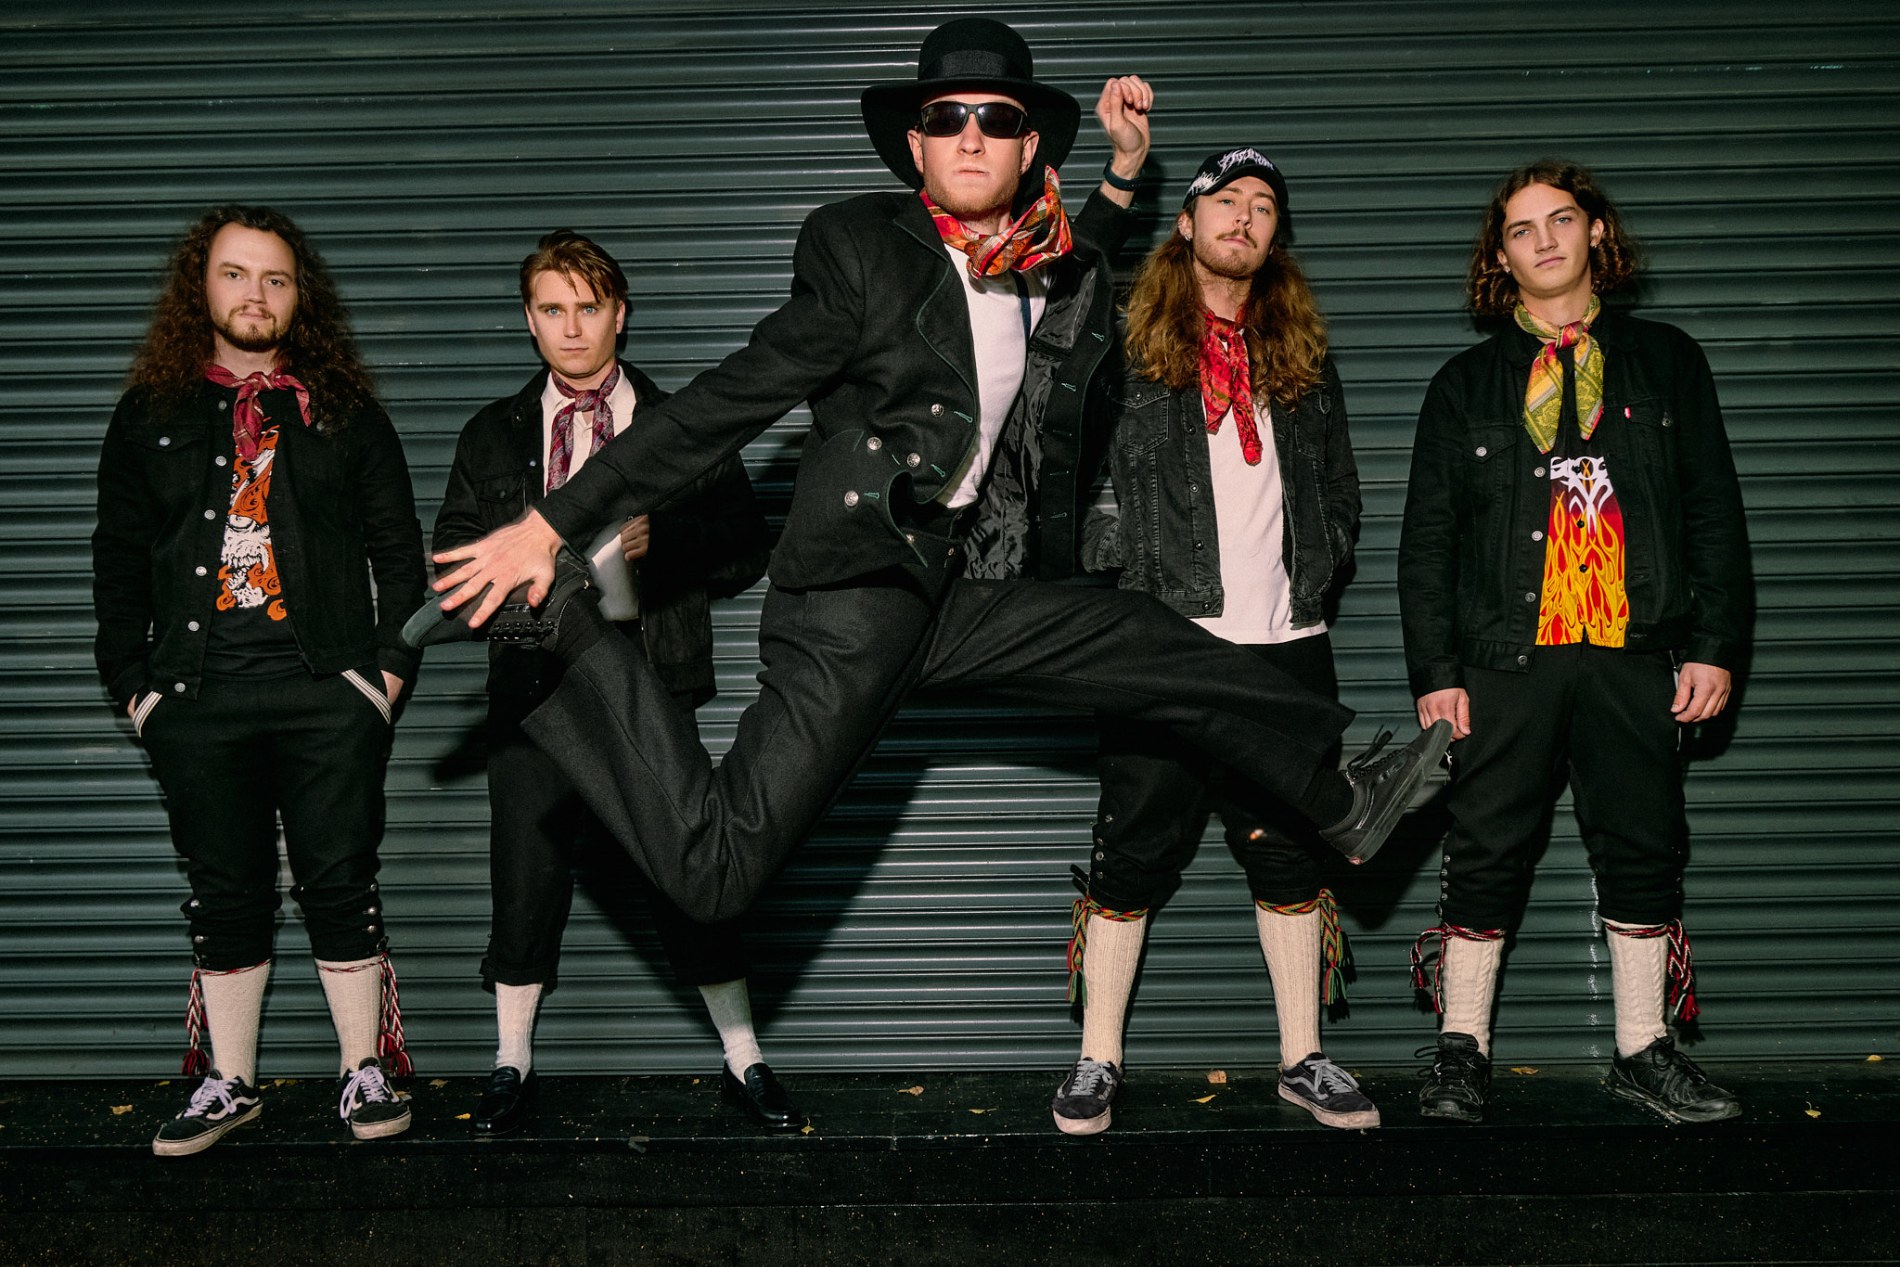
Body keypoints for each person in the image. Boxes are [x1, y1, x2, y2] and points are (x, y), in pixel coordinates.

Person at [409, 19, 1449, 941]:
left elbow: (1081, 253)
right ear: (916, 145)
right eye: (947, 117)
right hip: (854, 599)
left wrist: (1128, 169)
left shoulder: (1031, 264)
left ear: (1027, 149)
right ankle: (566, 633)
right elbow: (725, 401)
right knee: (715, 876)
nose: (970, 136)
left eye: (996, 120)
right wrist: (553, 523)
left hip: (956, 590)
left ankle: (1339, 798)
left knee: (1156, 643)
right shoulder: (863, 250)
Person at [1399, 160, 1750, 1124]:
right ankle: (1461, 1051)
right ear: (1500, 257)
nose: (1544, 239)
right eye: (1521, 229)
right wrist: (1435, 672)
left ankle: (1642, 1047)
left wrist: (1715, 643)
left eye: (1561, 219)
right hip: (1506, 654)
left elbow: (1713, 512)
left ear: (1597, 232)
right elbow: (1427, 542)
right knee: (1484, 848)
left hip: (1635, 649)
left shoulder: (1668, 362)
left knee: (1644, 844)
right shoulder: (1464, 385)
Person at [432, 230, 793, 1135]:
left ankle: (745, 1057)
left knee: (690, 871)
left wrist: (664, 541)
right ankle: (511, 1062)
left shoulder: (680, 423)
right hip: (536, 680)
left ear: (619, 314)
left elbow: (747, 547)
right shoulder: (493, 434)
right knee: (524, 873)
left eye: (587, 307)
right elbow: (455, 561)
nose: (571, 327)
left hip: (648, 672)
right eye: (551, 309)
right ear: (529, 320)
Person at [1053, 147, 1379, 1135]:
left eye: (1263, 205)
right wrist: (1117, 568)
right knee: (1131, 850)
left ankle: (1302, 1057)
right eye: (1226, 199)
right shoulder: (1127, 343)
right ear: (1186, 222)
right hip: (1163, 635)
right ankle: (1097, 1058)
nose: (1245, 215)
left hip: (1286, 640)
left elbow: (1341, 487)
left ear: (1276, 236)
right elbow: (1068, 445)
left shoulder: (1303, 358)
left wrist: (1318, 569)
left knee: (1290, 854)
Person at [92, 205, 427, 1155]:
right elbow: (116, 561)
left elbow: (401, 558)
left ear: (298, 296)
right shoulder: (149, 414)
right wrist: (137, 690)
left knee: (340, 879)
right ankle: (228, 1082)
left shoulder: (346, 414)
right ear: (200, 286)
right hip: (195, 696)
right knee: (224, 888)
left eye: (276, 278)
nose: (256, 293)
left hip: (327, 692)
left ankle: (364, 1070)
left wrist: (382, 682)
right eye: (236, 273)